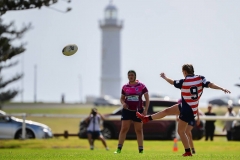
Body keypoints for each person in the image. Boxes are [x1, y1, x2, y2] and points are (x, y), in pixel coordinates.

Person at [136, 64, 231, 156]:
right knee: (167, 111)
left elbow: (172, 82)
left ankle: (188, 152)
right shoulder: (200, 78)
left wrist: (165, 77)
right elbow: (211, 84)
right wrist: (222, 88)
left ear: (185, 72)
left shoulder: (184, 81)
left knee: (181, 131)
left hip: (187, 109)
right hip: (189, 107)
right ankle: (147, 118)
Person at [114, 70, 150, 154]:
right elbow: (122, 98)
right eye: (129, 75)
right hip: (127, 111)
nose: (131, 76)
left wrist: (145, 110)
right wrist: (123, 103)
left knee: (139, 130)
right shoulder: (125, 87)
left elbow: (147, 99)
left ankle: (141, 150)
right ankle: (118, 149)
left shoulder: (141, 86)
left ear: (135, 76)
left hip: (138, 111)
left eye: (132, 75)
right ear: (127, 76)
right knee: (124, 129)